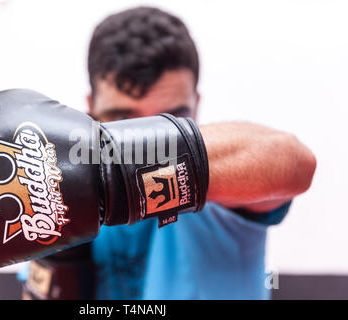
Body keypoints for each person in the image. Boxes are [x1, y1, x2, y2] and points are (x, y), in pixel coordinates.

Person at [20, 6, 316, 300]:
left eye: (169, 124)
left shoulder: (225, 186)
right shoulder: (62, 205)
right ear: (90, 109)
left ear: (196, 106)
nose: (147, 147)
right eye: (124, 122)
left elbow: (295, 163)